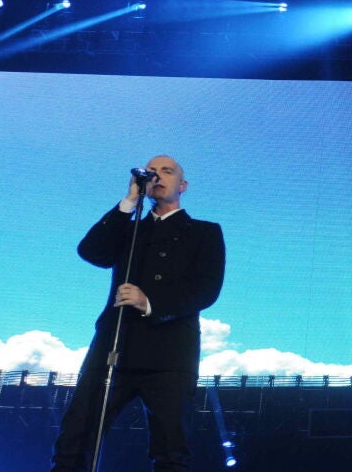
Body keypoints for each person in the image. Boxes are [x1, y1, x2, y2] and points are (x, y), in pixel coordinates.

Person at [51, 155, 226, 471]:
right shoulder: (128, 229)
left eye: (167, 171)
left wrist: (150, 302)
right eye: (152, 172)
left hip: (170, 354)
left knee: (170, 449)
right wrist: (130, 200)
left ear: (183, 185)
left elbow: (206, 290)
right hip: (114, 346)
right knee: (75, 438)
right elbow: (92, 252)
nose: (157, 176)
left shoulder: (204, 232)